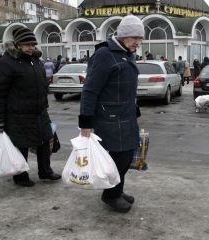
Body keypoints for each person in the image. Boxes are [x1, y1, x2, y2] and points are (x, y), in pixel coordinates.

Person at [78, 15, 144, 213]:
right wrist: (86, 124)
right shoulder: (105, 55)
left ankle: (117, 190)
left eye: (140, 39)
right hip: (109, 119)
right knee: (118, 159)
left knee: (125, 157)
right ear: (123, 35)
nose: (138, 43)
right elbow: (90, 90)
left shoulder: (126, 52)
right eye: (135, 38)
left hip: (126, 116)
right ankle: (110, 195)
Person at [0, 27, 61, 187]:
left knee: (44, 142)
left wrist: (45, 104)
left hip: (39, 112)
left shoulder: (35, 60)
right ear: (17, 44)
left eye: (33, 44)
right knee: (21, 145)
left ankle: (46, 171)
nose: (31, 47)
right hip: (18, 114)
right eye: (27, 44)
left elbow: (41, 85)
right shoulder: (6, 62)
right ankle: (21, 176)